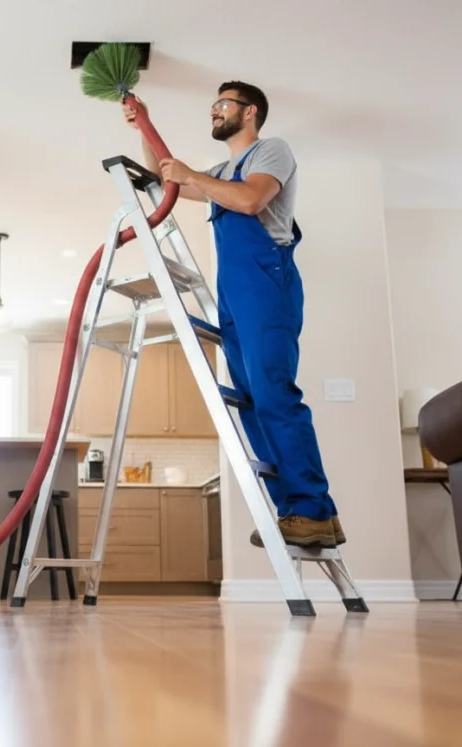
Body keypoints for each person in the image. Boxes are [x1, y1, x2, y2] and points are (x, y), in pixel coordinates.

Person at [122, 81, 344, 549]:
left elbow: (249, 200)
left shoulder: (271, 152)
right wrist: (145, 122)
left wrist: (191, 176)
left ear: (251, 112)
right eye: (212, 106)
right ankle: (295, 512)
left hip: (268, 284)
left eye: (222, 104)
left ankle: (314, 508)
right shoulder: (223, 170)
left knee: (274, 394)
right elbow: (168, 182)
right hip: (235, 293)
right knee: (249, 401)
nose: (214, 112)